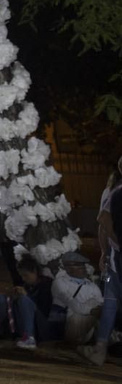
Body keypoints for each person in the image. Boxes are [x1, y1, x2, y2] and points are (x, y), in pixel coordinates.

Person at [80, 155, 122, 366]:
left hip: (116, 256)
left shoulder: (114, 191)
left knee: (111, 301)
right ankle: (101, 348)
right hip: (117, 257)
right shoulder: (116, 192)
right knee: (111, 300)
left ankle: (100, 349)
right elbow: (103, 221)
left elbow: (103, 222)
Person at [0, 256, 57, 349]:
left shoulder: (47, 284)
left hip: (40, 326)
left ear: (35, 271)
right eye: (22, 276)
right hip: (24, 323)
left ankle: (29, 338)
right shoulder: (27, 285)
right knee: (2, 298)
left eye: (26, 275)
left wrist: (26, 296)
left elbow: (44, 309)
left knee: (24, 299)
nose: (23, 279)